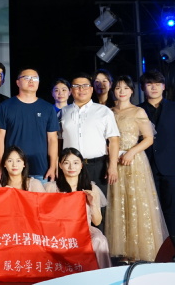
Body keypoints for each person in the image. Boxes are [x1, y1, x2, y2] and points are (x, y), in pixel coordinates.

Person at [106, 75, 168, 261]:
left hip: (134, 162)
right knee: (117, 203)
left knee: (136, 203)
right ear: (113, 91)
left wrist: (131, 152)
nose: (122, 91)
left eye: (126, 88)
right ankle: (121, 252)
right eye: (118, 88)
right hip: (114, 162)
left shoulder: (138, 111)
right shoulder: (108, 112)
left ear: (132, 91)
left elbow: (148, 138)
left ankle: (138, 252)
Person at [59, 73, 119, 231]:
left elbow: (114, 140)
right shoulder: (63, 112)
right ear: (71, 90)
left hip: (97, 166)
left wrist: (112, 166)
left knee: (97, 209)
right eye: (76, 86)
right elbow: (57, 140)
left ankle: (98, 244)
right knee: (71, 209)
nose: (81, 89)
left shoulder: (103, 111)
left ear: (92, 89)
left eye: (85, 86)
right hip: (70, 168)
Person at [139, 70, 175, 237]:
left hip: (172, 167)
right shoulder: (137, 110)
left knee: (171, 210)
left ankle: (173, 246)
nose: (154, 87)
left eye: (157, 84)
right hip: (145, 167)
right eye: (149, 84)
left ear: (163, 86)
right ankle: (154, 247)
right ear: (143, 88)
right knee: (150, 210)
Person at [44, 148, 112, 269]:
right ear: (60, 165)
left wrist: (92, 203)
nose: (71, 167)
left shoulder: (91, 188)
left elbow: (97, 222)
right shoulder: (51, 188)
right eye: (66, 163)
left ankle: (102, 277)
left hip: (85, 231)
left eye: (75, 163)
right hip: (59, 233)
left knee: (99, 240)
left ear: (81, 165)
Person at [0, 68, 59, 182]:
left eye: (35, 78)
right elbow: (0, 138)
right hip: (13, 169)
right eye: (27, 78)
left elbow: (52, 139)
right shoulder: (5, 106)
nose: (31, 81)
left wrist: (52, 166)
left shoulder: (48, 108)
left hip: (41, 169)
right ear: (17, 82)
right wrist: (1, 165)